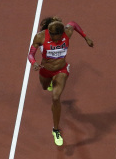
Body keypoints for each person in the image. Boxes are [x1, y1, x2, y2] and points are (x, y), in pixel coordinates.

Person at [28, 16, 94, 146]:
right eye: (53, 37)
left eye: (58, 37)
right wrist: (34, 63)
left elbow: (73, 24)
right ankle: (50, 83)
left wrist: (85, 37)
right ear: (50, 33)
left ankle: (56, 130)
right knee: (44, 86)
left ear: (61, 33)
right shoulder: (40, 37)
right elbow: (30, 54)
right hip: (45, 70)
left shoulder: (66, 33)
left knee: (56, 98)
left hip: (61, 70)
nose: (56, 40)